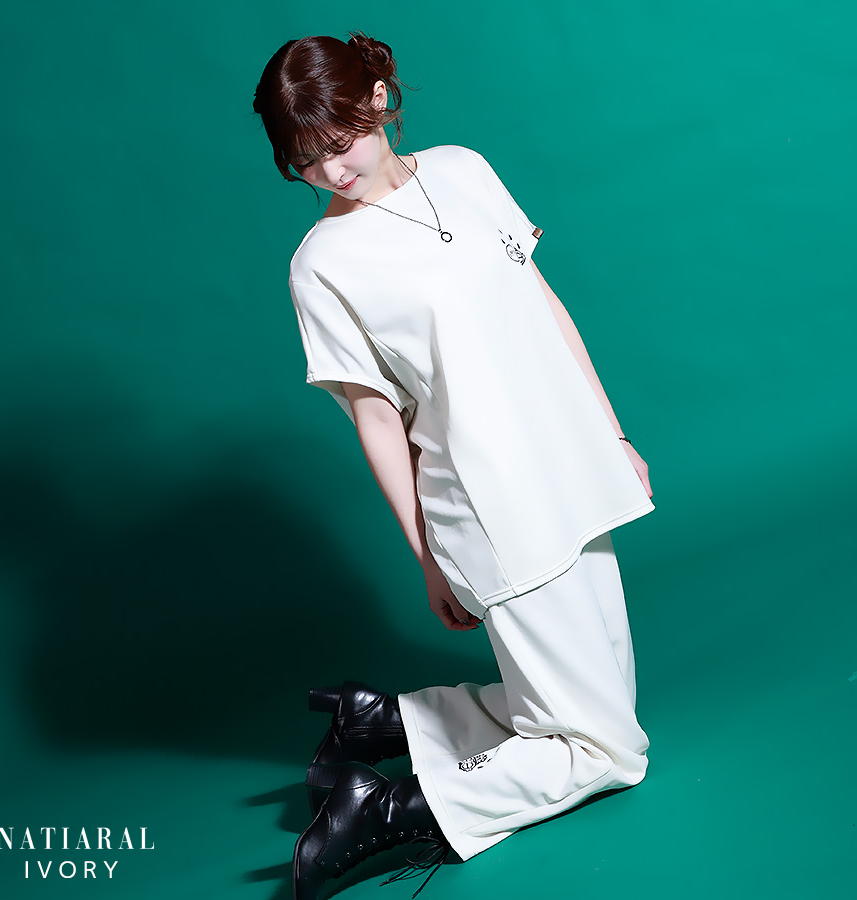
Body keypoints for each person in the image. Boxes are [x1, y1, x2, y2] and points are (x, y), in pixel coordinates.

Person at [252, 31, 655, 900]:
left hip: (572, 465)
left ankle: (385, 720)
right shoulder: (321, 266)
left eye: (340, 141)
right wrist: (428, 554)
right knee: (608, 750)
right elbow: (375, 420)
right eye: (307, 159)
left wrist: (613, 436)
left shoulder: (464, 168)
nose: (331, 170)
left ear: (379, 98)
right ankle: (386, 808)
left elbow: (541, 301)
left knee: (597, 707)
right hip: (490, 501)